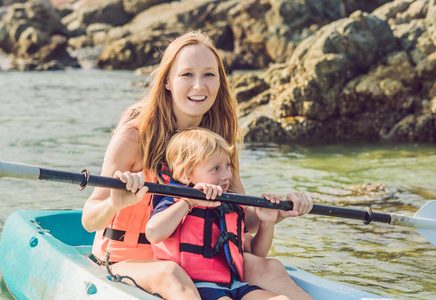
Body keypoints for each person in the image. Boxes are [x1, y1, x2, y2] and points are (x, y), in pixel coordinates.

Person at [81, 31, 314, 300]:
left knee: (270, 268)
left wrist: (275, 212)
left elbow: (242, 219)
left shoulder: (216, 139)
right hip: (133, 257)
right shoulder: (135, 135)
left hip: (199, 258)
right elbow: (89, 219)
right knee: (171, 274)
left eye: (209, 75)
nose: (199, 86)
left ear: (220, 81)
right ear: (167, 81)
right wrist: (115, 203)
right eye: (187, 75)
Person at [147, 127, 297, 300]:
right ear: (185, 174)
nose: (226, 175)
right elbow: (153, 233)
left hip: (235, 285)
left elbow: (257, 253)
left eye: (227, 166)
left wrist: (267, 223)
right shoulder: (176, 201)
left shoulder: (230, 205)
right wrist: (188, 202)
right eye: (215, 169)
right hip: (200, 287)